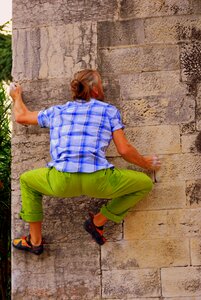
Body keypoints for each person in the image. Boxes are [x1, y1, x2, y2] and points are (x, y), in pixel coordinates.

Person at [11, 69, 161, 255]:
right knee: (144, 184)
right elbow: (124, 150)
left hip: (61, 182)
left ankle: (35, 242)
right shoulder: (109, 111)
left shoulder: (58, 112)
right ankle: (97, 221)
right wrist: (146, 163)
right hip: (99, 181)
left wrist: (16, 97)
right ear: (96, 91)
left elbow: (21, 117)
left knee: (27, 180)